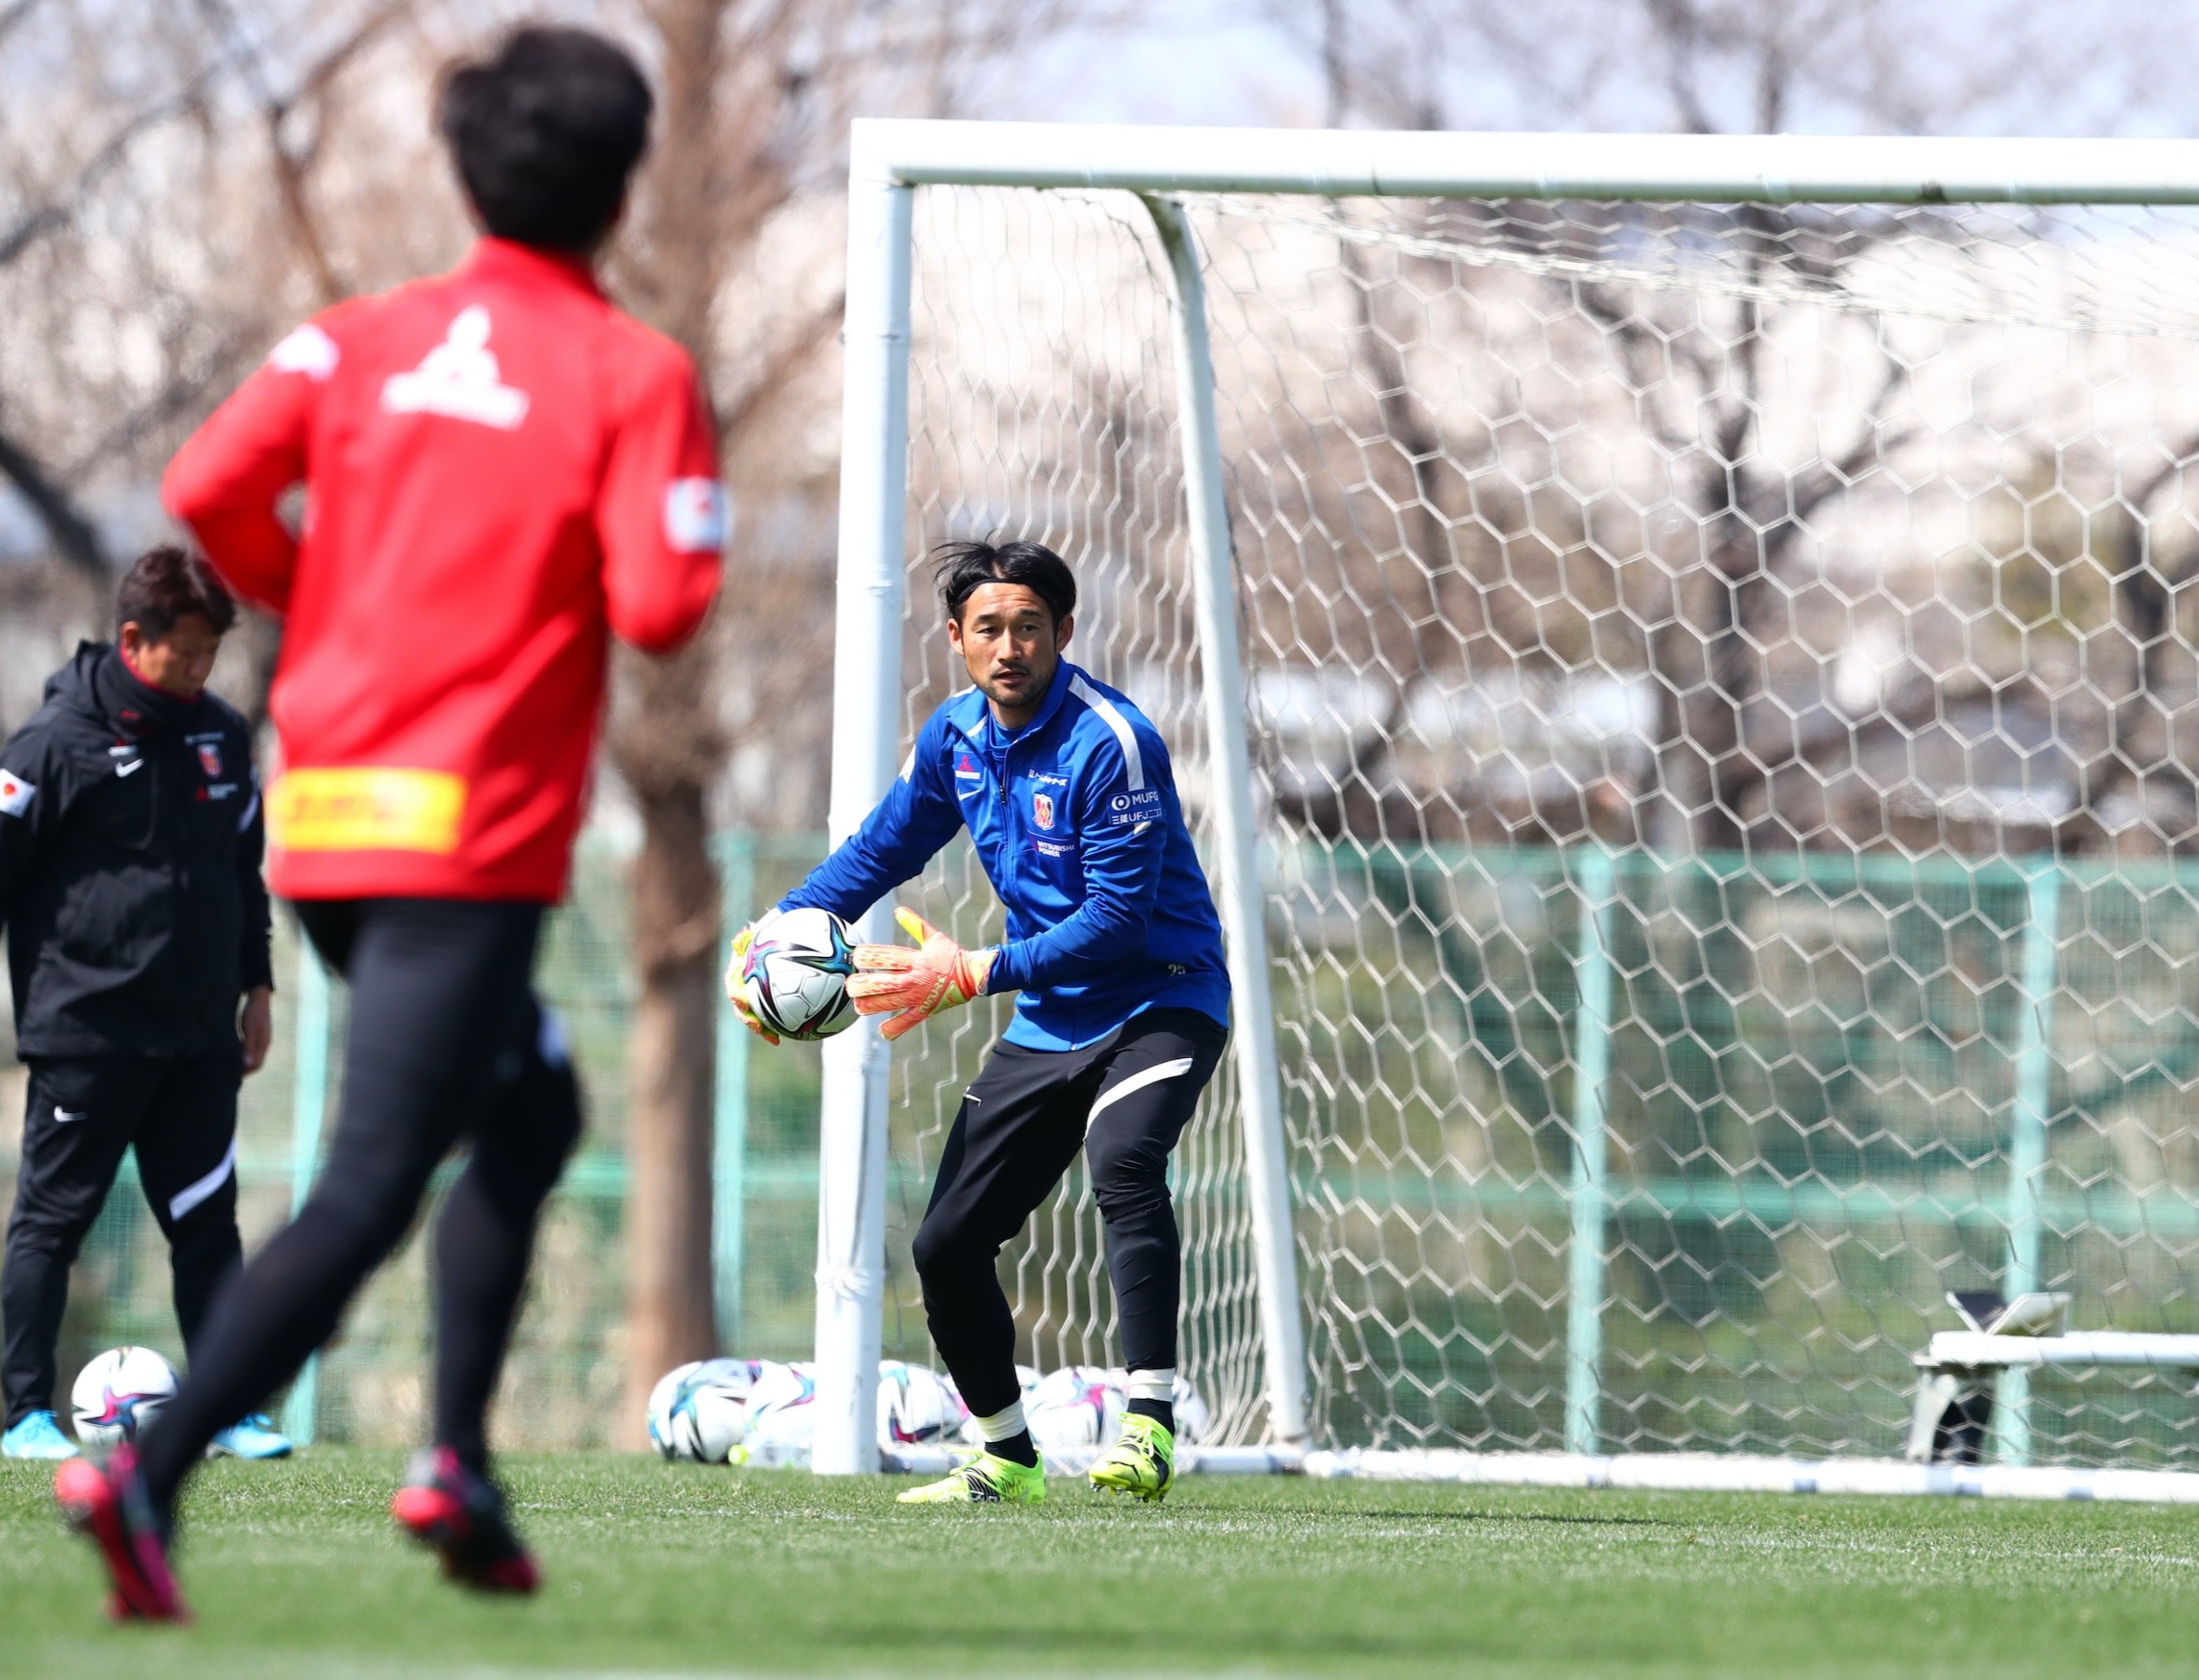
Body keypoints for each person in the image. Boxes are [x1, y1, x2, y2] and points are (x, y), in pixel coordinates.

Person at [55, 25, 723, 1620]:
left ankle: (456, 1463)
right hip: (466, 835)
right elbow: (665, 602)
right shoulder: (633, 373)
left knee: (528, 1115)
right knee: (369, 1182)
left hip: (333, 809)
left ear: (465, 167)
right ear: (621, 190)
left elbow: (208, 484)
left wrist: (327, 592)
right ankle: (149, 1478)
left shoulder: (350, 341)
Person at [731, 538, 1230, 1506]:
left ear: (1064, 633)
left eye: (1031, 627)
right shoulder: (953, 739)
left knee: (1123, 1157)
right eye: (990, 628)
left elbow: (1115, 920)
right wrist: (777, 934)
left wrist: (970, 970)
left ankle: (1150, 1424)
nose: (1011, 647)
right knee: (945, 1245)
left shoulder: (1112, 743)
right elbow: (881, 849)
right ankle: (1004, 1451)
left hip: (1162, 993)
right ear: (956, 637)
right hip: (1052, 1015)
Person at [0, 548, 290, 1466]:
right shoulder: (54, 744)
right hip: (87, 1035)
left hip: (198, 1036)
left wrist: (258, 984)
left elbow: (243, 873)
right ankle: (22, 1416)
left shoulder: (220, 736)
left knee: (207, 1225)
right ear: (136, 641)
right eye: (189, 653)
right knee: (51, 1225)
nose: (203, 670)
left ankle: (230, 1411)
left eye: (214, 654)